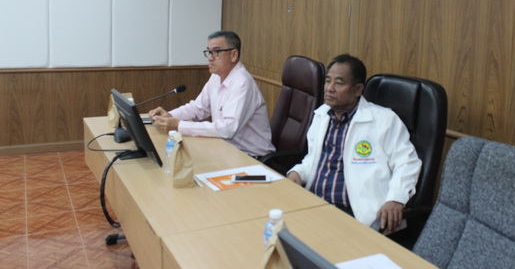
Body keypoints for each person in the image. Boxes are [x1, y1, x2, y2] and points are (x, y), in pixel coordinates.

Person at [287, 54, 421, 235]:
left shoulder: (384, 120)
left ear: (358, 89)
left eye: (339, 83)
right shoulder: (322, 115)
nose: (329, 88)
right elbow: (314, 158)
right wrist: (297, 172)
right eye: (328, 81)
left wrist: (396, 199)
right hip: (315, 205)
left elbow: (407, 163)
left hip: (353, 214)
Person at [149, 30, 275, 157]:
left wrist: (179, 125)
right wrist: (170, 115)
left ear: (233, 55)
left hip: (250, 156)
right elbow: (198, 107)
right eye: (209, 52)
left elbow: (228, 129)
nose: (210, 57)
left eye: (216, 51)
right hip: (225, 149)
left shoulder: (242, 83)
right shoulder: (216, 76)